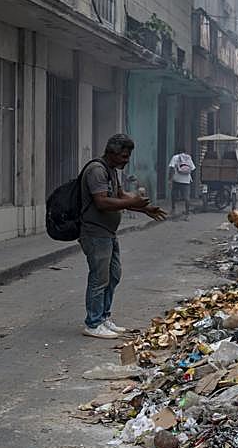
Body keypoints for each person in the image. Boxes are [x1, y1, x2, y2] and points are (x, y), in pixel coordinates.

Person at [80, 134, 167, 339]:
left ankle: (103, 317)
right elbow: (102, 202)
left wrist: (144, 208)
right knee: (99, 278)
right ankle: (92, 323)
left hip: (108, 232)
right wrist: (133, 203)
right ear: (112, 152)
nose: (126, 160)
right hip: (94, 232)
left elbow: (120, 197)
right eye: (124, 156)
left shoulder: (111, 170)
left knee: (113, 276)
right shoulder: (96, 170)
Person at [168, 147, 196, 217]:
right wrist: (191, 179)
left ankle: (173, 209)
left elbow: (171, 168)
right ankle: (187, 213)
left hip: (176, 179)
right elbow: (192, 169)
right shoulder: (188, 158)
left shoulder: (175, 157)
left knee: (173, 194)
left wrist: (170, 179)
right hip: (186, 181)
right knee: (187, 198)